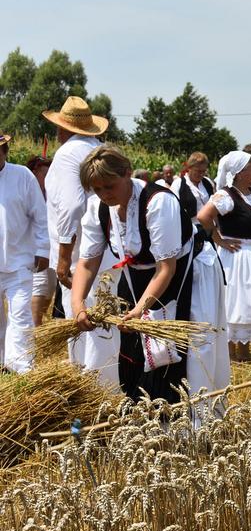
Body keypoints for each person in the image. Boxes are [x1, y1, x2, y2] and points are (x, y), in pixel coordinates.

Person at [72, 146, 197, 403]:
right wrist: (78, 305)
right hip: (135, 276)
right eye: (97, 189)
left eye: (109, 186)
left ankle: (171, 417)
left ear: (128, 173)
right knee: (131, 346)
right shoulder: (98, 208)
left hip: (176, 276)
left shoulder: (157, 202)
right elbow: (86, 263)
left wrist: (140, 309)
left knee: (165, 351)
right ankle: (136, 407)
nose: (104, 194)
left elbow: (167, 268)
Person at [42, 96, 121, 386]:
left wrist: (63, 258)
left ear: (61, 128)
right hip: (108, 250)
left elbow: (72, 207)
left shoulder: (66, 154)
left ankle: (89, 387)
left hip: (80, 255)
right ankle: (109, 384)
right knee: (105, 320)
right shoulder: (98, 149)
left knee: (82, 320)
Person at [198, 151, 251, 362]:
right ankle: (234, 352)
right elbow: (203, 216)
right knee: (238, 302)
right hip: (238, 256)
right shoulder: (226, 195)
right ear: (239, 173)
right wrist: (219, 239)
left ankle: (243, 350)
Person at [169, 151, 230, 396]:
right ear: (189, 168)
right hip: (188, 234)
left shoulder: (207, 185)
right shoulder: (178, 186)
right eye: (198, 170)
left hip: (206, 234)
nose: (201, 174)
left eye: (204, 171)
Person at [0, 134, 49, 373]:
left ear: (5, 151)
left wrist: (42, 249)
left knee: (20, 318)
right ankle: (2, 368)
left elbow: (40, 216)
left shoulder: (22, 176)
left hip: (19, 263)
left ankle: (21, 373)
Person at [24, 156, 55, 326]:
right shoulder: (27, 188)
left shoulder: (50, 192)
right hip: (34, 246)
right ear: (34, 172)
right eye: (45, 174)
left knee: (50, 285)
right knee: (40, 284)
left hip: (51, 245)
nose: (48, 178)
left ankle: (38, 324)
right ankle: (35, 328)